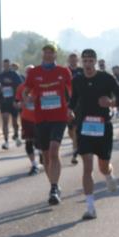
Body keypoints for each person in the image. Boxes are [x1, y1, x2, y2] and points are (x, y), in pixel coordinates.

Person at [69, 49, 119, 220]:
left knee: (103, 165)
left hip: (103, 127)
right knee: (87, 166)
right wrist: (69, 111)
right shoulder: (77, 80)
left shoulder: (106, 78)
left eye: (90, 61)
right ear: (81, 62)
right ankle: (90, 207)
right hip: (84, 128)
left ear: (95, 62)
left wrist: (111, 103)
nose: (87, 64)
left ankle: (108, 174)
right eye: (84, 61)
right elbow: (73, 101)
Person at [20, 44, 73, 205]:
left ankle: (54, 188)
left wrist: (71, 107)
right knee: (45, 156)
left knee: (54, 150)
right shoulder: (35, 72)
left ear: (55, 55)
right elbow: (25, 90)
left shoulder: (63, 72)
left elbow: (72, 91)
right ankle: (53, 185)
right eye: (46, 53)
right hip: (41, 118)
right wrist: (26, 98)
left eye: (51, 53)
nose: (48, 55)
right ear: (42, 55)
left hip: (59, 117)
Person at [17, 65, 41, 175]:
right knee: (28, 142)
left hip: (40, 118)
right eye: (28, 73)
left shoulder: (41, 86)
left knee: (39, 142)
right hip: (26, 118)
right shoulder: (21, 87)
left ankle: (41, 154)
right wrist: (21, 103)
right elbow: (16, 102)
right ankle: (34, 165)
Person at [0, 58, 24, 149]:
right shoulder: (0, 76)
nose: (6, 67)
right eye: (4, 65)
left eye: (7, 65)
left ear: (9, 65)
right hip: (4, 101)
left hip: (13, 101)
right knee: (5, 121)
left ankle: (16, 135)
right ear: (3, 66)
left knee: (15, 122)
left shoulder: (14, 75)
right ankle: (6, 141)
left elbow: (20, 86)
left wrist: (18, 100)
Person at [66, 52, 82, 164]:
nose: (73, 61)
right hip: (67, 103)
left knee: (76, 129)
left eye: (74, 59)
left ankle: (75, 152)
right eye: (71, 59)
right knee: (70, 131)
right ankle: (77, 143)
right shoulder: (65, 71)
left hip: (80, 103)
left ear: (77, 60)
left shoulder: (82, 71)